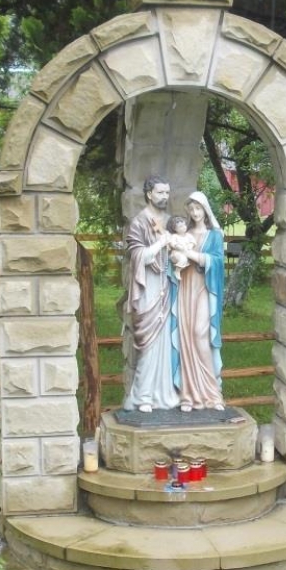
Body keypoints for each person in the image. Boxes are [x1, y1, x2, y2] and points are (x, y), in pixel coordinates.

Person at [122, 175, 181, 413]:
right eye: (160, 192)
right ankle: (142, 396)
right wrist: (160, 244)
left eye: (167, 192)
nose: (165, 197)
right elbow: (138, 256)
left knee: (166, 343)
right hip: (148, 289)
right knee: (149, 344)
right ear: (149, 194)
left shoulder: (169, 221)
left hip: (167, 287)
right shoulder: (139, 221)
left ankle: (164, 394)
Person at [170, 191, 225, 412]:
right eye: (191, 209)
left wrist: (191, 255)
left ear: (205, 209)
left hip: (204, 287)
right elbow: (173, 255)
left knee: (200, 334)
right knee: (186, 337)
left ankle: (212, 394)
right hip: (185, 287)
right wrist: (175, 255)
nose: (195, 213)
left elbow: (218, 262)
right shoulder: (185, 233)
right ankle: (188, 395)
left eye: (198, 208)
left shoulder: (214, 235)